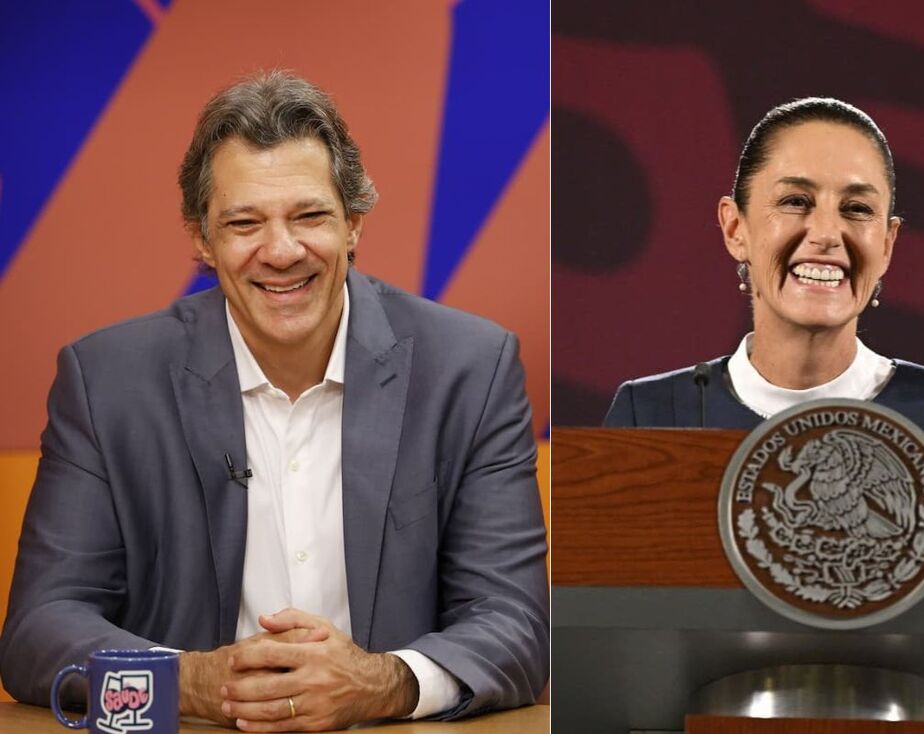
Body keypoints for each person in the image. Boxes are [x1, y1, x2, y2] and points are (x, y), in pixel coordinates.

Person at [0, 71, 548, 730]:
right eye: (244, 223)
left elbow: (516, 624)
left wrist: (382, 683)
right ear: (203, 240)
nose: (281, 251)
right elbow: (39, 630)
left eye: (310, 215)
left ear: (354, 223)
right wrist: (192, 682)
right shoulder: (106, 380)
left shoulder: (470, 369)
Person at [605, 97, 924, 434]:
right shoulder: (649, 416)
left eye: (856, 208)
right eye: (795, 201)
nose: (827, 233)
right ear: (734, 228)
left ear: (887, 245)